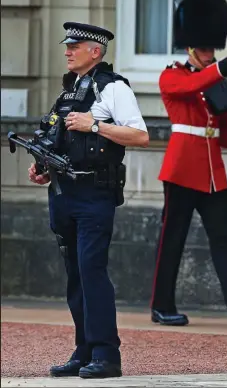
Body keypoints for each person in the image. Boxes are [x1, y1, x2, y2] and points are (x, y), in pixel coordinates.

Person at [28, 22, 149, 379]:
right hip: (64, 193)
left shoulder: (113, 88)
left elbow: (140, 135)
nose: (67, 51)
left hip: (95, 194)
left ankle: (106, 354)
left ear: (94, 51)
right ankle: (83, 350)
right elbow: (59, 140)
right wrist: (42, 170)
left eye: (74, 46)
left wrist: (94, 125)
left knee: (92, 272)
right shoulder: (68, 92)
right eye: (68, 46)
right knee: (75, 276)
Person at [150, 0, 227, 328]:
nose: (210, 54)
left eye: (212, 49)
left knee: (223, 238)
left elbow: (222, 133)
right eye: (205, 49)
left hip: (213, 173)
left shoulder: (215, 83)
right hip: (182, 170)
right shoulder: (172, 76)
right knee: (173, 238)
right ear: (189, 48)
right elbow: (190, 87)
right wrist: (226, 64)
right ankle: (161, 305)